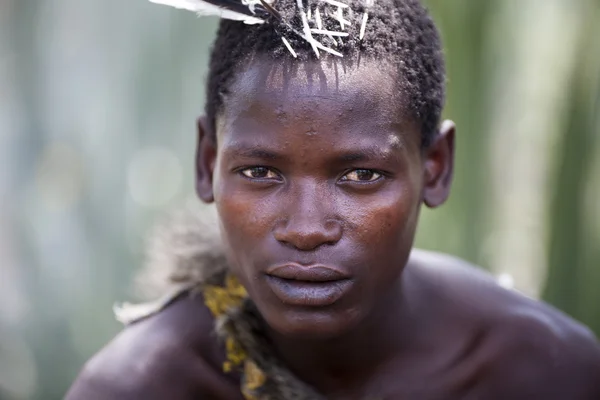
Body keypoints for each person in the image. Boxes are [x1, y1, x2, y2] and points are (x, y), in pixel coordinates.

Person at [66, 0, 600, 398]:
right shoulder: (139, 387)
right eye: (259, 171)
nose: (306, 228)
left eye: (361, 176)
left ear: (435, 167)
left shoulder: (544, 371)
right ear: (208, 163)